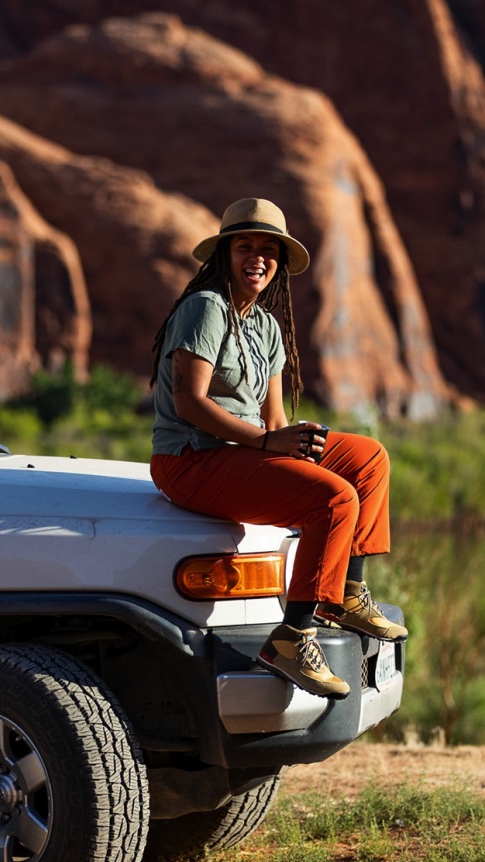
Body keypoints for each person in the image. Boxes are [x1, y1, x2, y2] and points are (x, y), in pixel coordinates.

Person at [149, 198, 407, 699]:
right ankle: (292, 636)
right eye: (245, 246)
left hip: (244, 453)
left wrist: (292, 445)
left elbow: (275, 419)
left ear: (281, 263)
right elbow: (189, 403)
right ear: (223, 254)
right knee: (332, 498)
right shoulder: (205, 307)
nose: (258, 258)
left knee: (367, 457)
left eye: (270, 250)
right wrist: (271, 444)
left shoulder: (267, 327)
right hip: (190, 460)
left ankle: (347, 593)